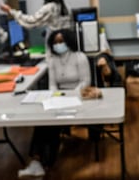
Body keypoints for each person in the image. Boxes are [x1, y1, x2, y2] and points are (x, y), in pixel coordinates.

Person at [18, 29, 91, 178]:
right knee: (43, 121)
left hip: (78, 96)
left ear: (68, 41)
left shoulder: (80, 57)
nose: (58, 45)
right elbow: (52, 85)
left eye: (61, 41)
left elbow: (85, 81)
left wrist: (71, 95)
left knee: (53, 124)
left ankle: (45, 163)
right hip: (59, 97)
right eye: (55, 42)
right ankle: (37, 161)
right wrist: (55, 97)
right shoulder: (52, 60)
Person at [0, 0, 72, 57]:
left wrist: (10, 11)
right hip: (67, 44)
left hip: (54, 43)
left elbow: (31, 21)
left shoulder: (49, 8)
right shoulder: (67, 7)